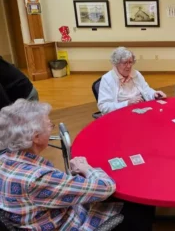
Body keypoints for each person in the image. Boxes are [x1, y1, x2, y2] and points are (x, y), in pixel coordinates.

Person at [0, 99, 155, 230]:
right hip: (70, 223)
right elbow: (106, 187)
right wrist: (87, 169)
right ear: (36, 137)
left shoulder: (4, 160)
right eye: (49, 125)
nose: (51, 127)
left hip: (39, 216)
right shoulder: (39, 178)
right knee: (140, 206)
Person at [98, 47, 166, 114]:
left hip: (139, 111)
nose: (128, 66)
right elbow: (103, 106)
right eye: (125, 63)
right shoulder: (107, 79)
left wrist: (154, 94)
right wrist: (127, 103)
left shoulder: (136, 74)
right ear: (116, 64)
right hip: (119, 115)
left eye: (130, 62)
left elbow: (146, 90)